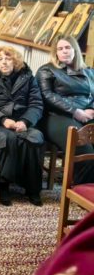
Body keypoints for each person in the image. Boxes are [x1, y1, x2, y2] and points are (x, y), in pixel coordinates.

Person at [0, 46, 45, 206]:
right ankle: (3, 184)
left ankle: (32, 188)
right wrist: (3, 120)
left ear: (15, 61)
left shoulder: (28, 77)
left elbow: (36, 104)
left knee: (35, 137)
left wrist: (25, 121)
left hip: (22, 120)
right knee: (9, 138)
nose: (4, 62)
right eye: (0, 59)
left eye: (8, 58)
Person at [36, 36, 94, 184]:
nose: (64, 51)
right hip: (56, 115)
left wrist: (91, 109)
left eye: (68, 47)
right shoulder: (47, 70)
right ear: (55, 52)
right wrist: (75, 111)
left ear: (75, 50)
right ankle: (82, 189)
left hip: (87, 114)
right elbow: (47, 95)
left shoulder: (89, 71)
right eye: (60, 49)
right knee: (84, 149)